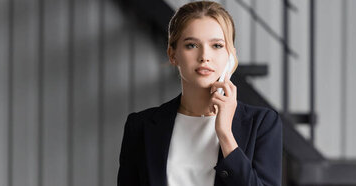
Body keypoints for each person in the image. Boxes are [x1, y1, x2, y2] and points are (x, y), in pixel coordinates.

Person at [117, 1, 283, 186]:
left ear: (230, 56)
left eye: (217, 45)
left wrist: (225, 135)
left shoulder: (262, 124)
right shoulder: (140, 126)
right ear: (173, 54)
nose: (204, 56)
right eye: (191, 45)